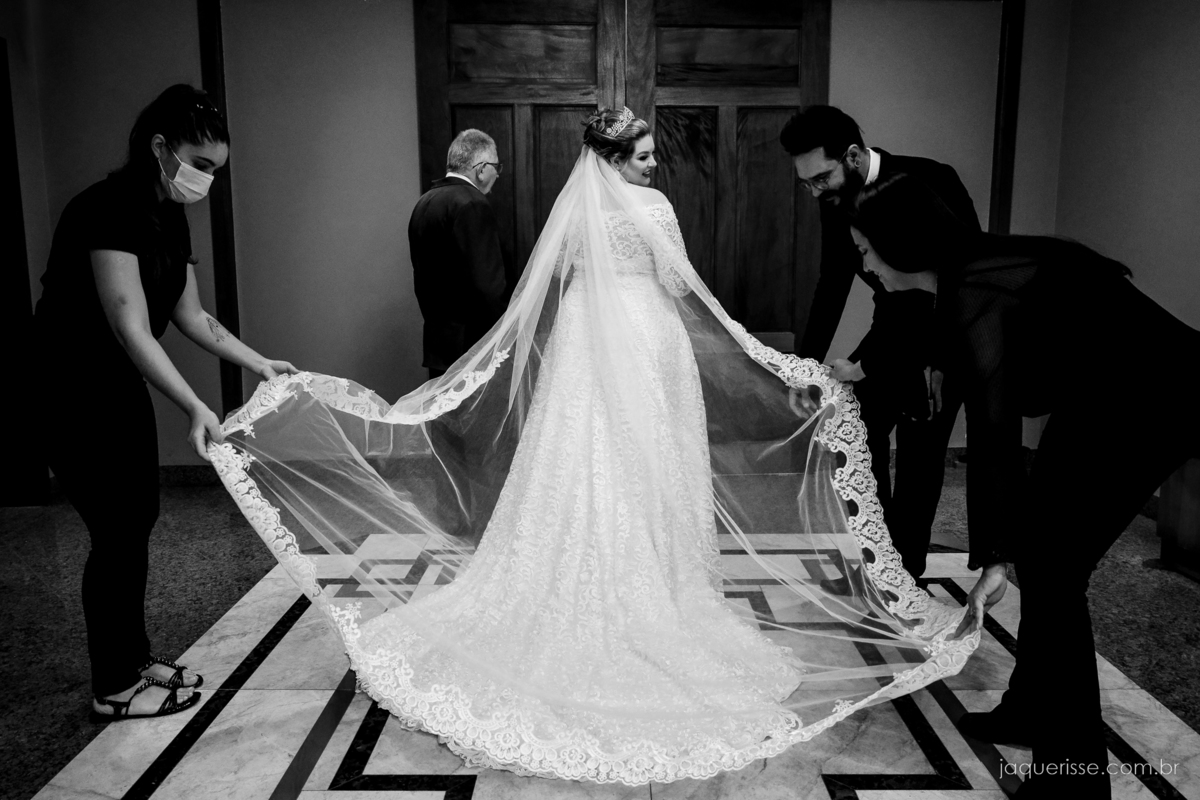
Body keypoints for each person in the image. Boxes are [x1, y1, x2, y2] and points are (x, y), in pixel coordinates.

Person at [207, 108, 980, 784]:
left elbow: (559, 282)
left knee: (578, 460)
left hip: (584, 344)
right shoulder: (656, 208)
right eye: (643, 154)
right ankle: (655, 585)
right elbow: (679, 287)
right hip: (649, 343)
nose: (654, 162)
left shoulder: (572, 209)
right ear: (615, 159)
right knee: (647, 464)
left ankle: (577, 572)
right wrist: (769, 354)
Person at [849, 173, 1200, 799]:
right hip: (1099, 397)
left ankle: (1074, 782)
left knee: (1054, 571)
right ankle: (1032, 710)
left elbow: (995, 434)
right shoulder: (963, 274)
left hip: (1156, 400)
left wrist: (994, 555)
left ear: (903, 247)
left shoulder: (975, 288)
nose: (866, 265)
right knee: (1044, 559)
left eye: (868, 251)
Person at [33, 84, 296, 720]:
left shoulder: (167, 214)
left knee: (137, 519)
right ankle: (113, 685)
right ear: (160, 147)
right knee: (116, 528)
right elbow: (130, 325)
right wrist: (195, 405)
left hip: (118, 382)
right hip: (68, 385)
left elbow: (190, 314)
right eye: (200, 164)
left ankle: (134, 658)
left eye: (215, 169)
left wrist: (258, 361)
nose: (207, 180)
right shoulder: (103, 208)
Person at [781, 105, 980, 580]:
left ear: (852, 155)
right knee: (858, 434)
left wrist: (929, 360)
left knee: (920, 457)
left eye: (821, 178)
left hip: (942, 336)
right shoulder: (832, 198)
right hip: (888, 326)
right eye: (806, 183)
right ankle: (879, 557)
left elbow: (965, 277)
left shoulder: (933, 179)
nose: (816, 191)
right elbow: (833, 282)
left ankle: (904, 575)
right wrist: (804, 367)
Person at [409, 128, 508, 380]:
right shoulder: (472, 203)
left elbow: (422, 278)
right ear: (481, 168)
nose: (497, 174)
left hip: (439, 343)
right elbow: (487, 286)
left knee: (442, 407)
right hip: (471, 346)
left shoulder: (425, 202)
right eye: (496, 167)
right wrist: (504, 339)